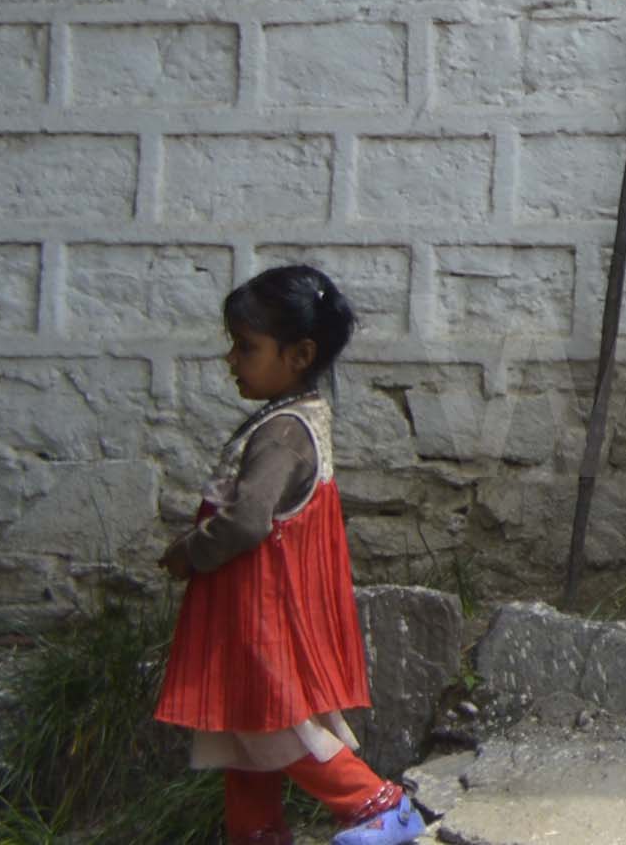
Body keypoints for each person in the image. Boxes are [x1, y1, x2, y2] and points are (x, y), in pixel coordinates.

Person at [155, 263, 432, 845]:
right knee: (242, 728)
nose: (232, 359)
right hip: (249, 610)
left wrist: (189, 553)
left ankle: (377, 804)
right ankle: (255, 831)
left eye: (246, 346)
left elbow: (247, 521)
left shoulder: (282, 434)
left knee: (275, 725)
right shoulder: (290, 421)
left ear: (299, 355)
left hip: (260, 613)